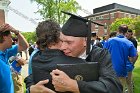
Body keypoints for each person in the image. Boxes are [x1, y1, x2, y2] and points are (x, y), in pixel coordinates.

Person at [25, 12, 122, 93]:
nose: (62, 47)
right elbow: (33, 75)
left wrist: (75, 86)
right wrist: (31, 89)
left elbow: (114, 87)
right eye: (62, 41)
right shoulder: (62, 52)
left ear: (85, 41)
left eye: (68, 42)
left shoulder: (100, 55)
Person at [103, 24, 137, 93]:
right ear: (126, 31)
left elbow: (103, 53)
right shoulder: (129, 42)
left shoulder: (110, 40)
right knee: (121, 89)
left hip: (110, 70)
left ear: (118, 30)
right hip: (121, 70)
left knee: (110, 89)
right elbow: (134, 55)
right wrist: (132, 63)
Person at [0, 24, 29, 93]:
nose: (12, 40)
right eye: (10, 37)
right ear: (4, 37)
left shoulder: (6, 52)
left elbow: (24, 46)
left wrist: (16, 32)